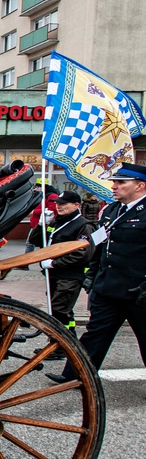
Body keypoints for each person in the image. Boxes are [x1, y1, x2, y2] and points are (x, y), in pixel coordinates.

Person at [47, 164, 146, 384]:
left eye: (121, 183)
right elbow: (100, 246)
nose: (115, 186)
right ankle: (75, 376)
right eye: (115, 182)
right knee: (94, 336)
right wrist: (92, 276)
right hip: (108, 288)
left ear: (140, 186)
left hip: (138, 291)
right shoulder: (111, 211)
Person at [29, 191, 94, 355]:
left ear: (76, 205)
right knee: (62, 313)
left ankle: (58, 347)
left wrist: (54, 263)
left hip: (69, 276)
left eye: (64, 204)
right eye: (58, 203)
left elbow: (83, 254)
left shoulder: (83, 225)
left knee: (58, 310)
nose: (59, 206)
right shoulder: (58, 222)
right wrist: (41, 225)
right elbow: (35, 240)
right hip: (54, 275)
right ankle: (68, 344)